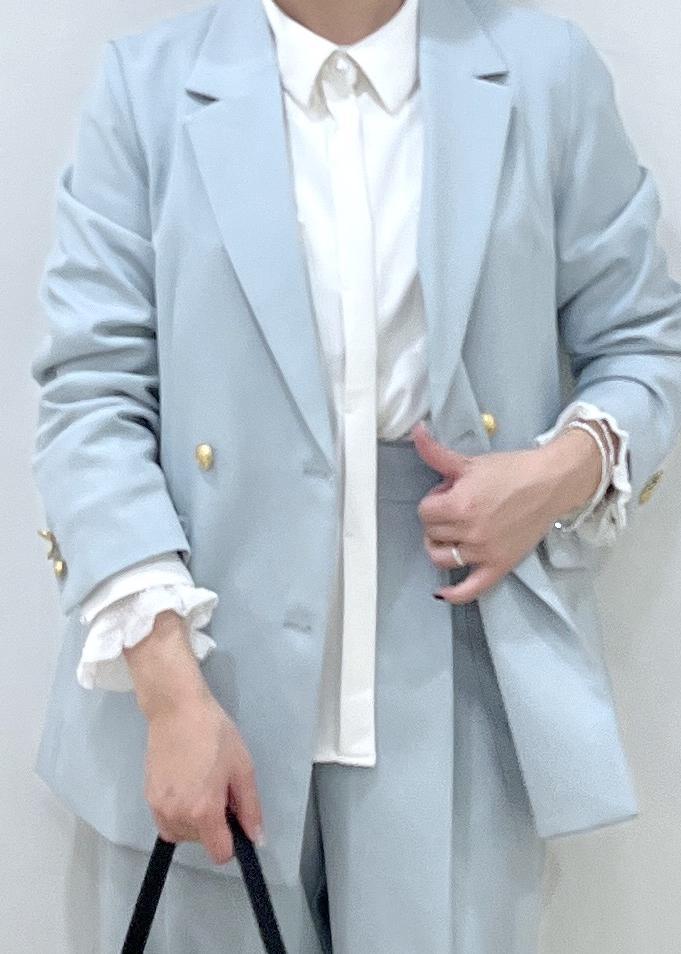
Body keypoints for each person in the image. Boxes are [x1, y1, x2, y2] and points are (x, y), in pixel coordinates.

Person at [30, 0, 681, 950]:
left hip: (459, 670)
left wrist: (553, 477)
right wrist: (168, 689)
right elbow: (91, 393)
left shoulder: (543, 73)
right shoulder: (148, 87)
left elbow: (643, 342)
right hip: (202, 661)